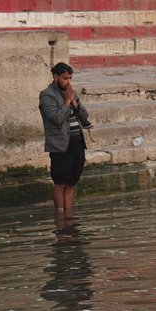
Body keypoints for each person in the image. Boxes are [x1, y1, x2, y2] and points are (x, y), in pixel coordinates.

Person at [39, 62, 91, 213]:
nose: (68, 82)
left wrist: (74, 101)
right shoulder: (47, 95)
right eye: (65, 78)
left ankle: (69, 214)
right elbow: (55, 118)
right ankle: (60, 217)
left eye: (70, 78)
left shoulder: (71, 92)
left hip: (77, 143)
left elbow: (85, 116)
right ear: (55, 77)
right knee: (60, 183)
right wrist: (67, 101)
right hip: (61, 146)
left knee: (71, 184)